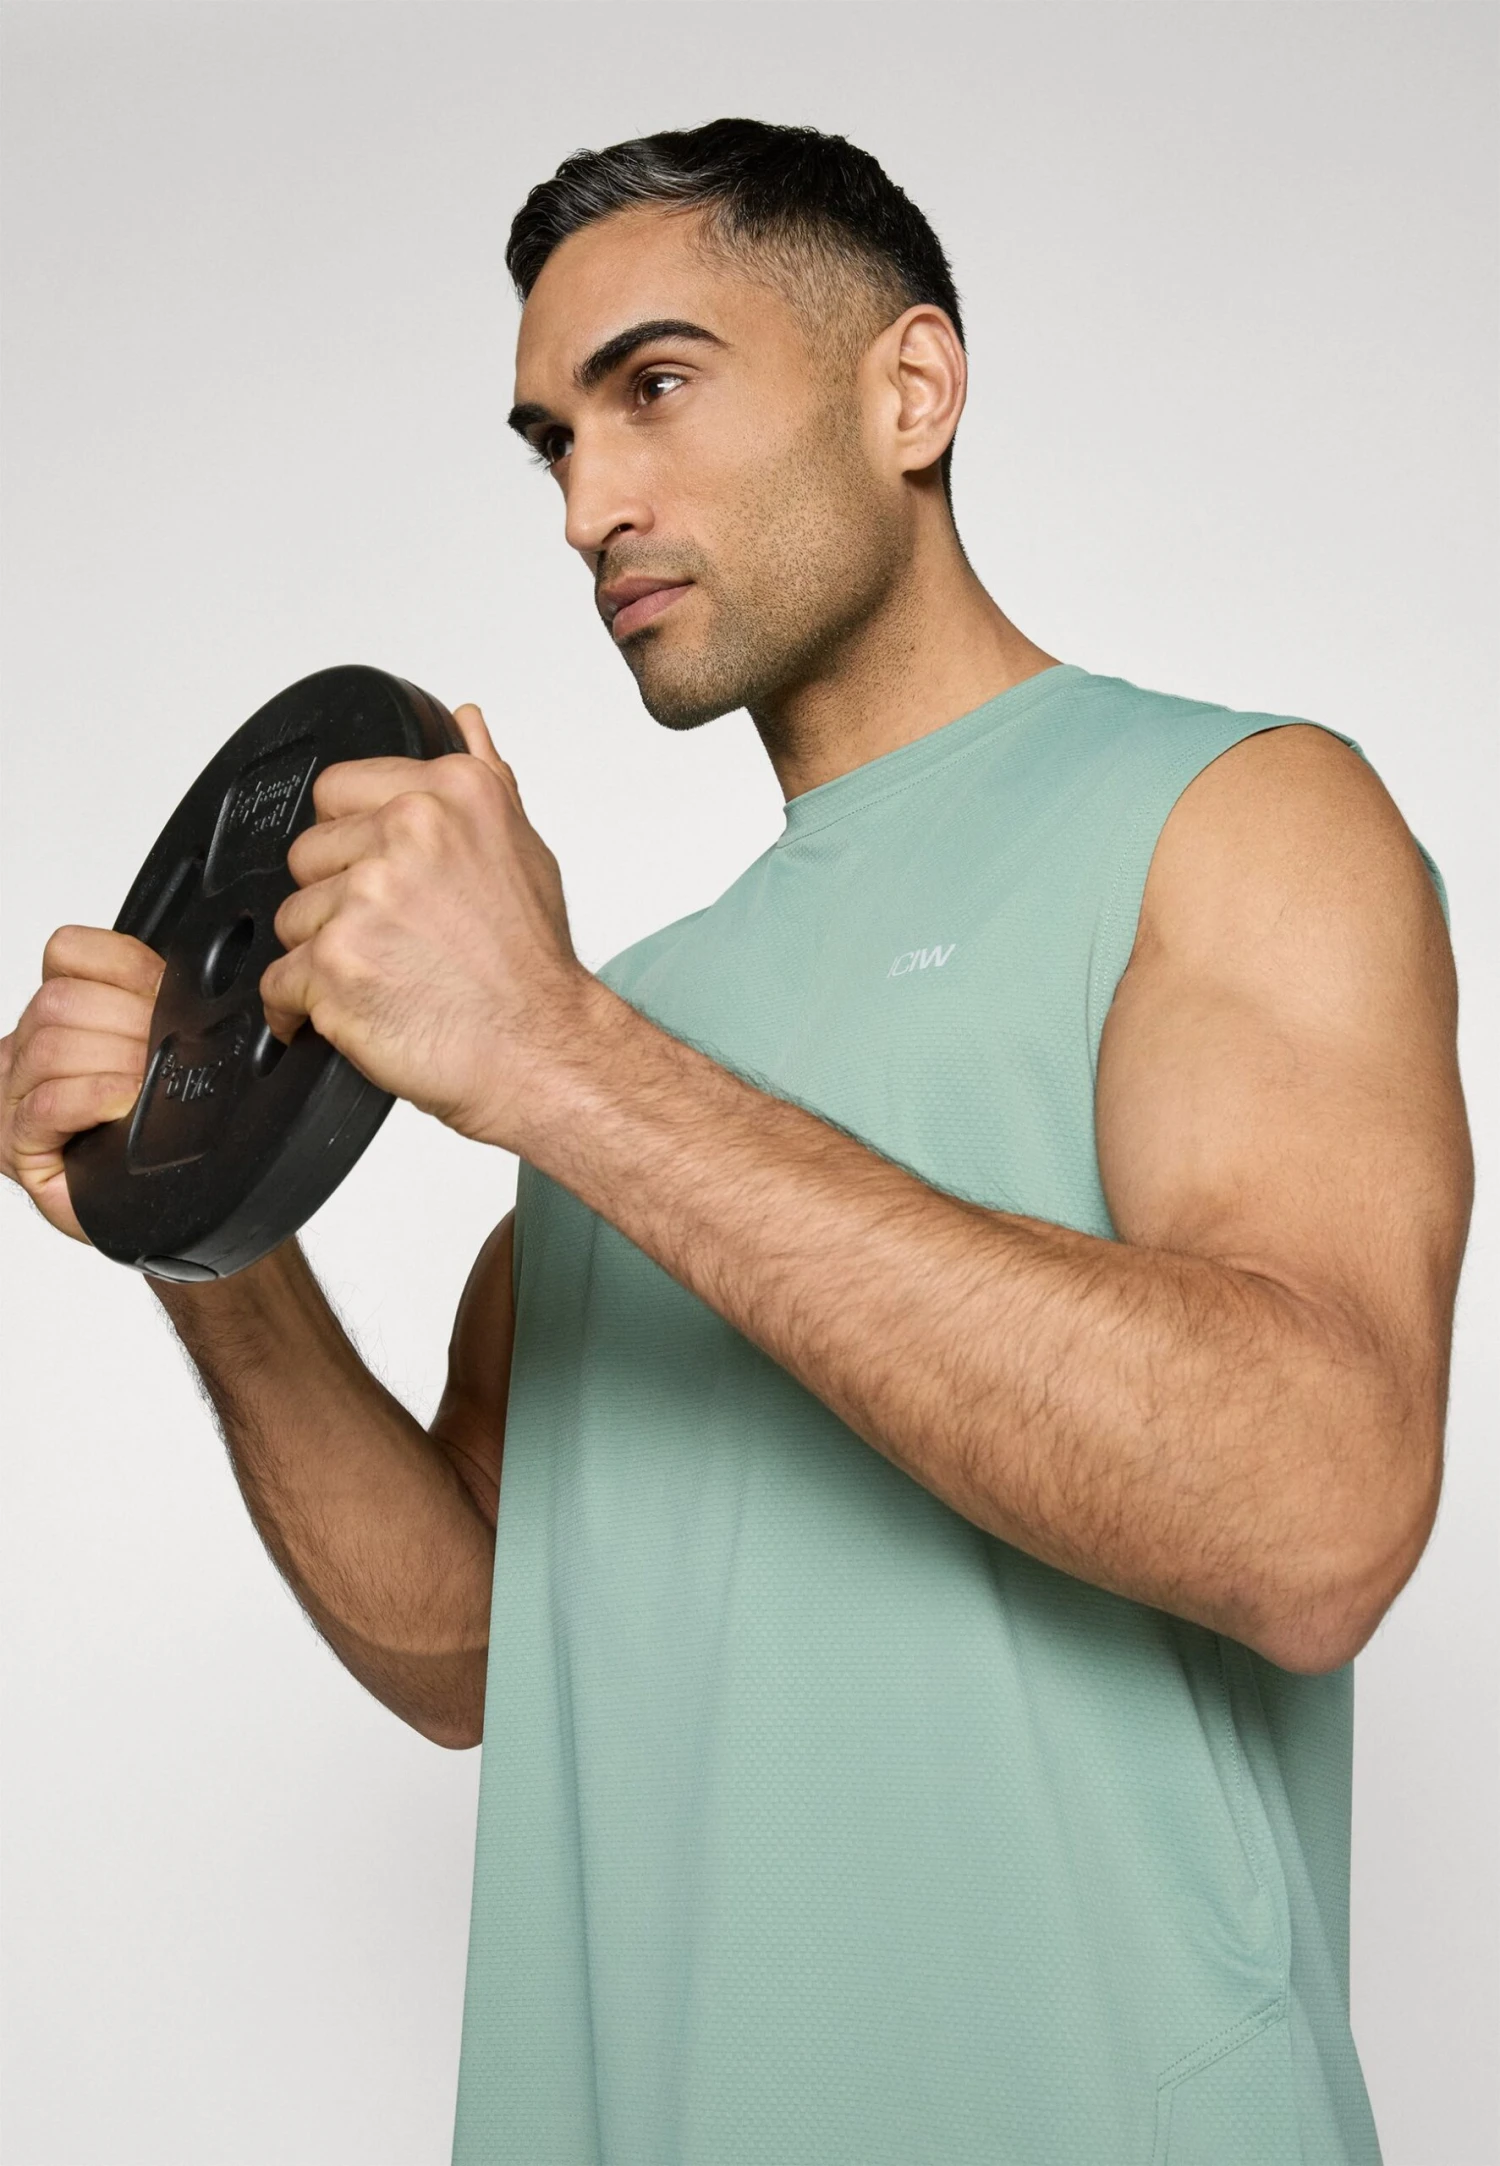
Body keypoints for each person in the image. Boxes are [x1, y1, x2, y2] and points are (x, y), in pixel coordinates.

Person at [0, 118, 1472, 2165]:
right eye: (553, 444)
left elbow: (1316, 1518)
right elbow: (474, 1644)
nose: (589, 504)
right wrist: (197, 1228)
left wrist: (555, 1054)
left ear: (911, 390)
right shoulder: (640, 1012)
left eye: (656, 388)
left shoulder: (1233, 818)